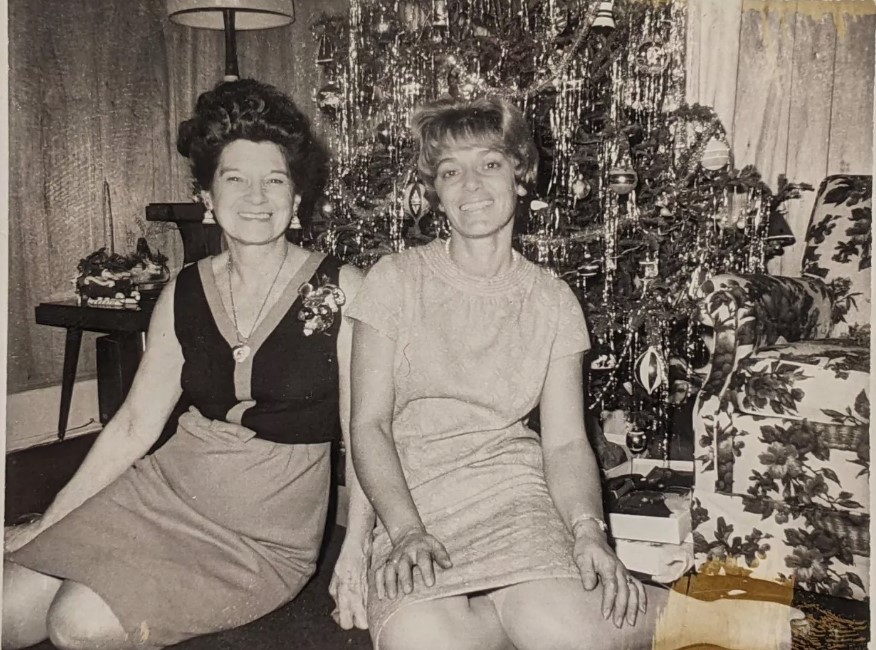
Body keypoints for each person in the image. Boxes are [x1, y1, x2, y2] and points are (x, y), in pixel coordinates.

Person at [339, 95, 804, 650]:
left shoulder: (552, 300)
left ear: (520, 173)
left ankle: (692, 614)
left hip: (512, 497)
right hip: (412, 505)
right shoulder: (393, 280)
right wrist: (404, 531)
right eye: (449, 171)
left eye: (488, 163)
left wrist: (588, 532)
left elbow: (562, 444)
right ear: (435, 191)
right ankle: (521, 607)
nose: (470, 185)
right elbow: (367, 426)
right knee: (425, 641)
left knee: (560, 630)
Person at [3, 79, 372, 650]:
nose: (257, 197)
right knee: (7, 611)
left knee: (75, 624)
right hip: (163, 493)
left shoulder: (343, 288)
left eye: (274, 180)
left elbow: (367, 433)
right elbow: (132, 426)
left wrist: (356, 551)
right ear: (207, 198)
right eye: (235, 179)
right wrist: (46, 522)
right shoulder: (183, 291)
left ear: (296, 198)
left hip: (258, 540)